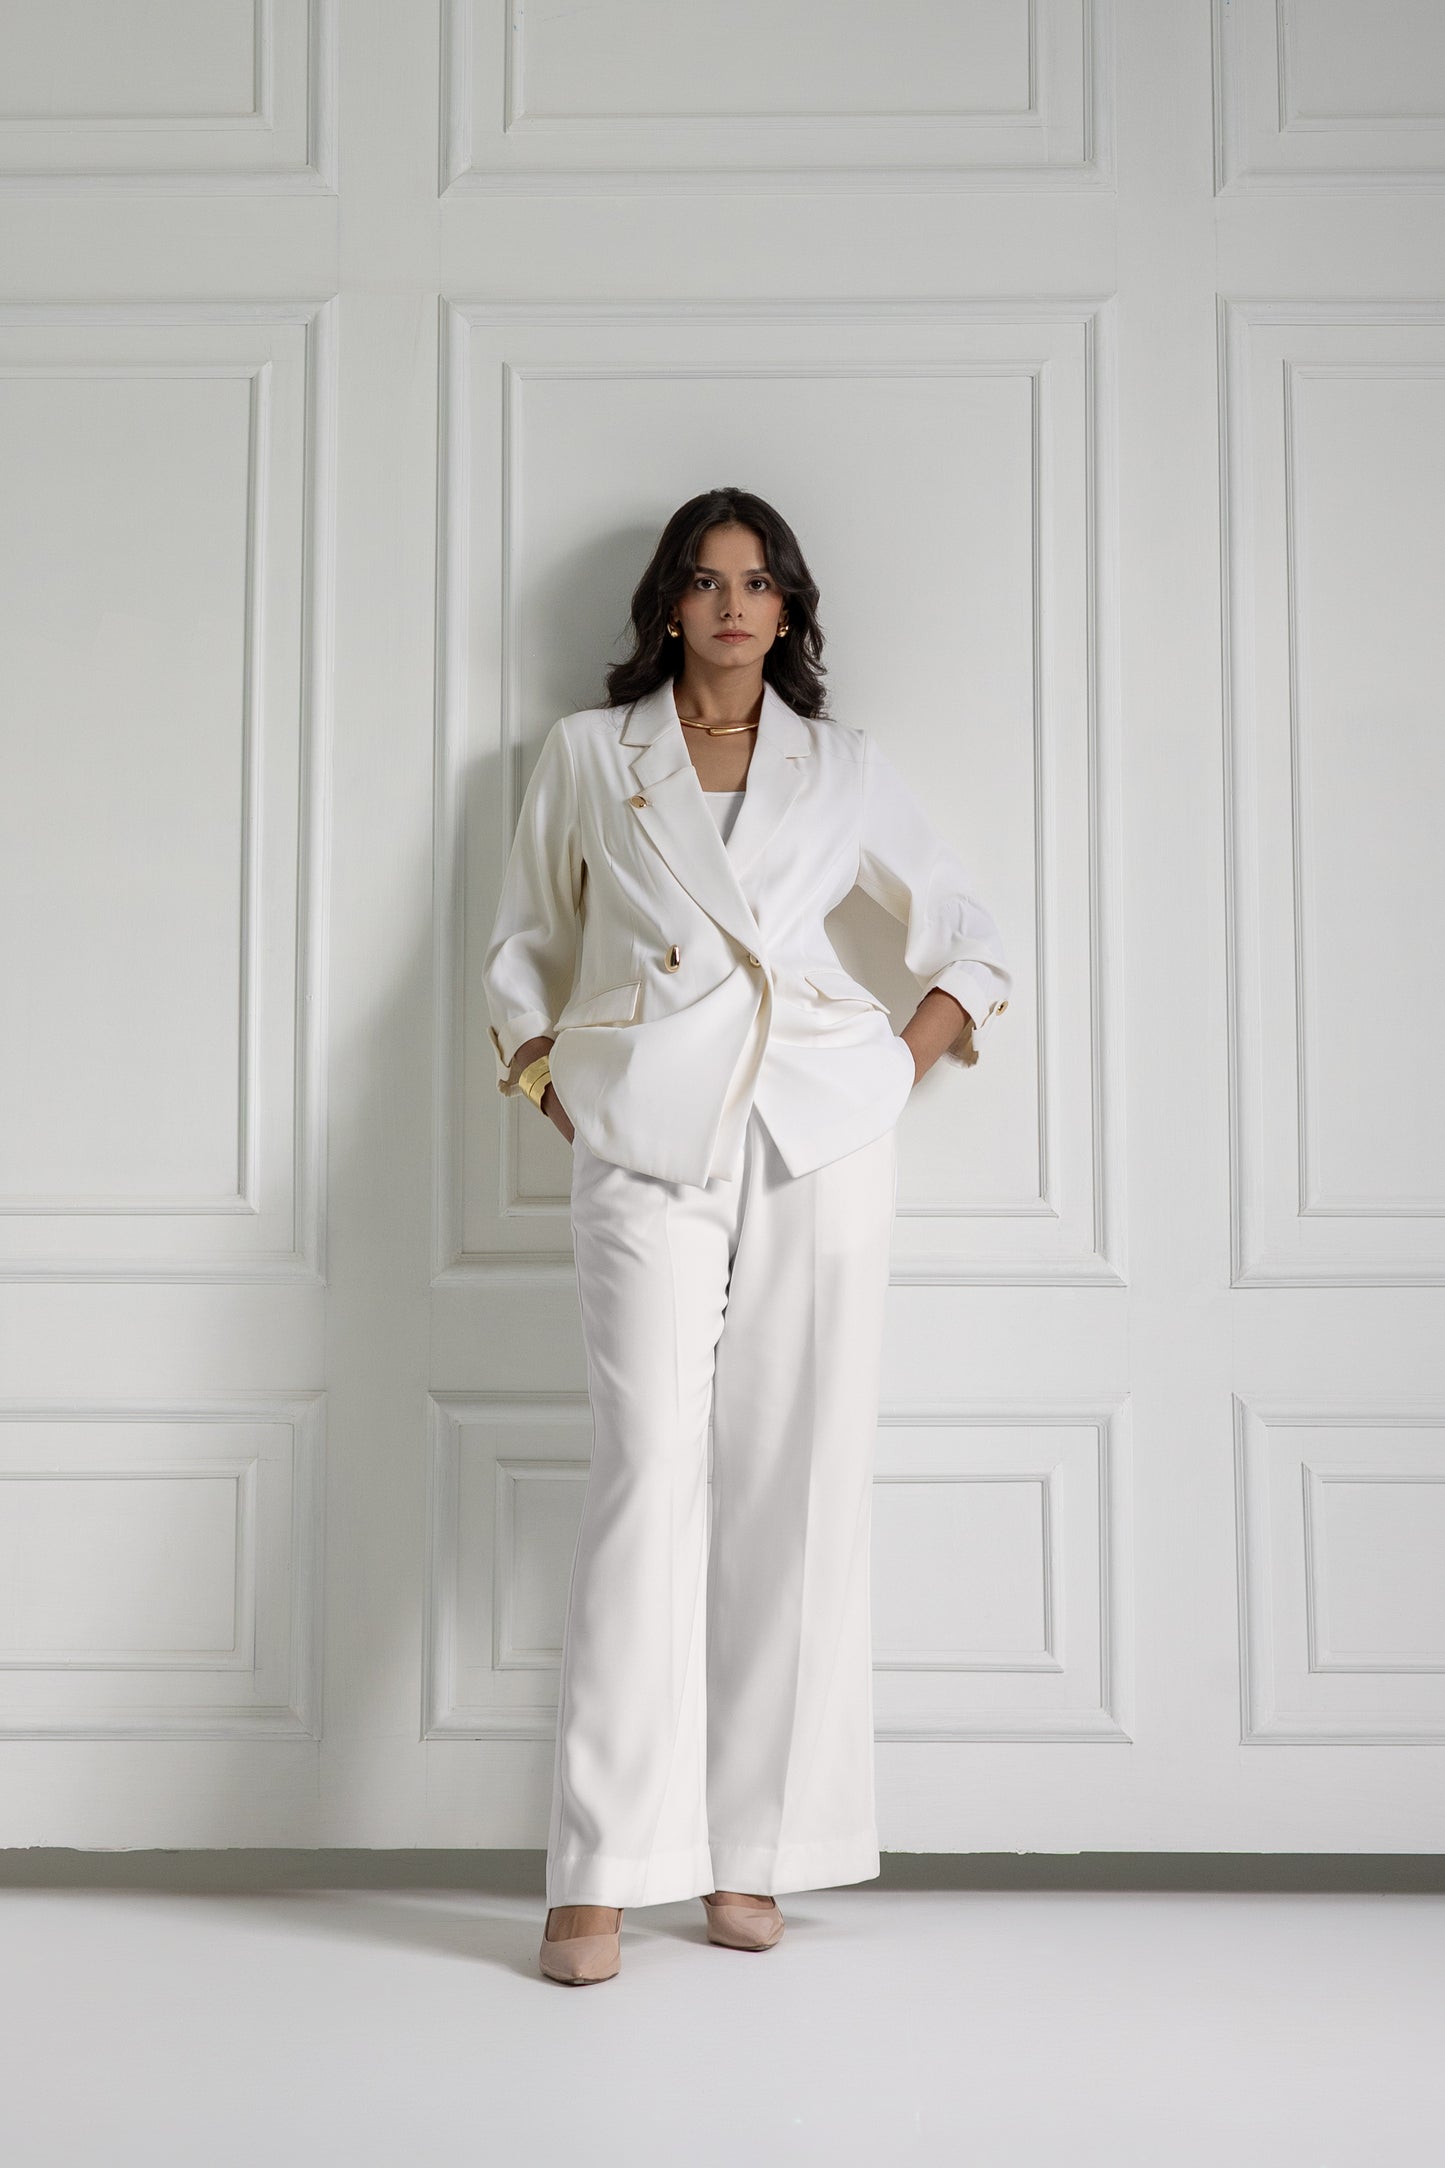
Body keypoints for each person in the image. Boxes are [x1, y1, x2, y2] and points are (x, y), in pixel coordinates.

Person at [482, 487, 1011, 1984]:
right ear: (668, 604)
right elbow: (520, 947)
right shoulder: (590, 755)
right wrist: (551, 1086)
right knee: (647, 1473)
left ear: (788, 610)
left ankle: (750, 1851)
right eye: (706, 580)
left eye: (758, 579)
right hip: (646, 1136)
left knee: (792, 1485)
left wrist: (901, 1060)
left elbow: (974, 933)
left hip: (816, 1134)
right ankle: (597, 1873)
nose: (731, 603)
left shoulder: (843, 769)